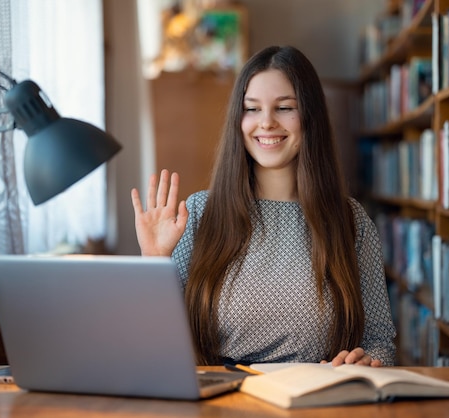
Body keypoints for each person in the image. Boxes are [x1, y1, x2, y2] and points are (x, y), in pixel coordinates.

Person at [131, 45, 396, 367]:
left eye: (284, 108)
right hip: (219, 402)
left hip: (312, 402)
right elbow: (156, 341)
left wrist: (365, 362)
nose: (266, 122)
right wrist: (154, 263)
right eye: (252, 109)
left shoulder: (351, 220)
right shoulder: (200, 213)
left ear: (310, 116)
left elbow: (380, 342)